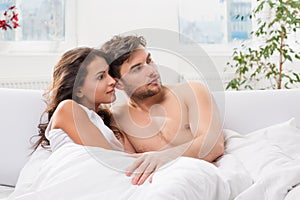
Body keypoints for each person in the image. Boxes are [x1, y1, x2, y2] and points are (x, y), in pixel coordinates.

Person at [100, 35, 225, 185]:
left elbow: (214, 145)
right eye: (137, 68)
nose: (151, 71)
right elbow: (132, 171)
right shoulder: (118, 118)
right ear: (119, 83)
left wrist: (164, 157)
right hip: (167, 185)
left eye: (149, 60)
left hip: (207, 179)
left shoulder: (191, 92)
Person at [34, 47, 135, 155]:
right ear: (78, 90)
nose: (112, 81)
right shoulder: (68, 109)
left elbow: (130, 159)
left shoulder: (107, 121)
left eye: (109, 73)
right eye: (101, 76)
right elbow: (107, 157)